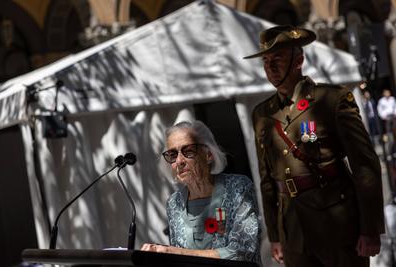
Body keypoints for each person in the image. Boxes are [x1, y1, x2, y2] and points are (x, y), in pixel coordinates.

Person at [243, 25, 384, 266]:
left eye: (278, 58)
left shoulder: (332, 100)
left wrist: (370, 229)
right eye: (266, 60)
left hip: (338, 225)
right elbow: (267, 180)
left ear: (299, 60)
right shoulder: (262, 114)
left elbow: (365, 165)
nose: (270, 66)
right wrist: (275, 236)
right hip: (293, 231)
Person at [141, 120, 261, 263]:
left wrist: (173, 252)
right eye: (172, 154)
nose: (179, 161)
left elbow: (243, 252)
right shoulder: (174, 203)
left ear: (208, 154)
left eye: (188, 151)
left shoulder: (238, 187)